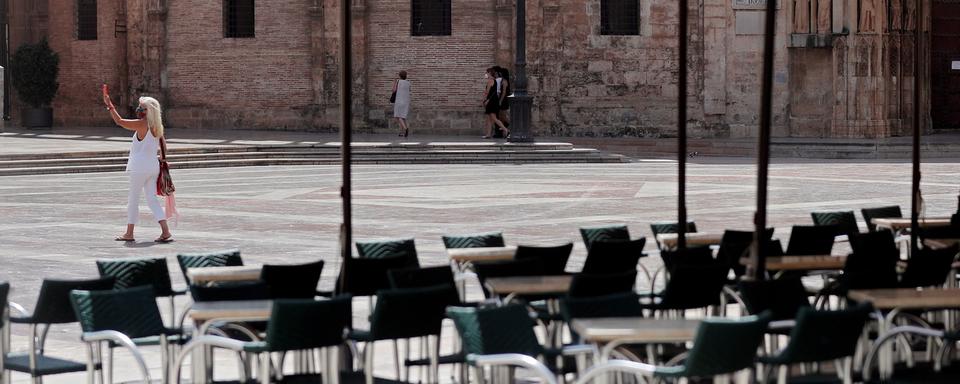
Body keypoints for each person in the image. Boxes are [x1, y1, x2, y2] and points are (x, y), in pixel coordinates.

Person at [102, 88, 174, 243]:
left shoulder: (142, 124)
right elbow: (164, 148)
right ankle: (165, 231)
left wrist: (109, 105)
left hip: (139, 167)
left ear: (148, 111)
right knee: (151, 199)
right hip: (153, 166)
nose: (139, 109)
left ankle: (129, 233)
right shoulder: (157, 127)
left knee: (133, 199)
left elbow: (119, 121)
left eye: (142, 108)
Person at [482, 67, 509, 139]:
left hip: (491, 102)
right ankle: (488, 134)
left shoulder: (490, 81)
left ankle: (505, 129)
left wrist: (484, 100)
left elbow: (487, 92)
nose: (485, 74)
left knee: (493, 118)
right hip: (494, 101)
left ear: (490, 73)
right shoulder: (495, 81)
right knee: (489, 119)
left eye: (486, 73)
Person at [393, 71, 411, 137]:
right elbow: (408, 91)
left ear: (400, 76)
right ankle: (401, 132)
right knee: (403, 117)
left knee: (398, 116)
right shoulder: (408, 83)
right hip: (406, 101)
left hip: (399, 101)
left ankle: (406, 129)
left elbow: (394, 90)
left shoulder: (398, 82)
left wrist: (394, 82)